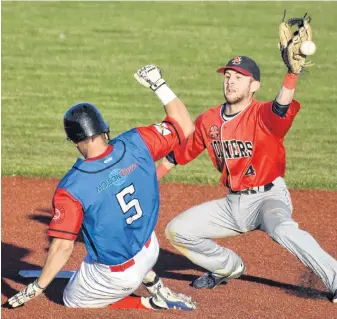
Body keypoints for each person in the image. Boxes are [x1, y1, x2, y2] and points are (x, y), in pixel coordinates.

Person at [7, 64, 197, 310]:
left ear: (75, 141)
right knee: (119, 231)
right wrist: (157, 83)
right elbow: (185, 125)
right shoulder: (137, 141)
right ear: (102, 128)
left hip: (118, 275)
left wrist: (38, 286)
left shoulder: (72, 187)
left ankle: (152, 302)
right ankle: (154, 282)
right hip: (150, 248)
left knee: (70, 299)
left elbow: (63, 246)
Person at [156, 53, 337, 303]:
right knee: (178, 230)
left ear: (254, 86)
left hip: (268, 198)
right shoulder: (209, 120)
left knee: (284, 229)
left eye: (239, 78)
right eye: (228, 76)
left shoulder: (263, 115)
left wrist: (292, 74)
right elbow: (178, 155)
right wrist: (152, 180)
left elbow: (280, 106)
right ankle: (227, 267)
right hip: (233, 204)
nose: (230, 82)